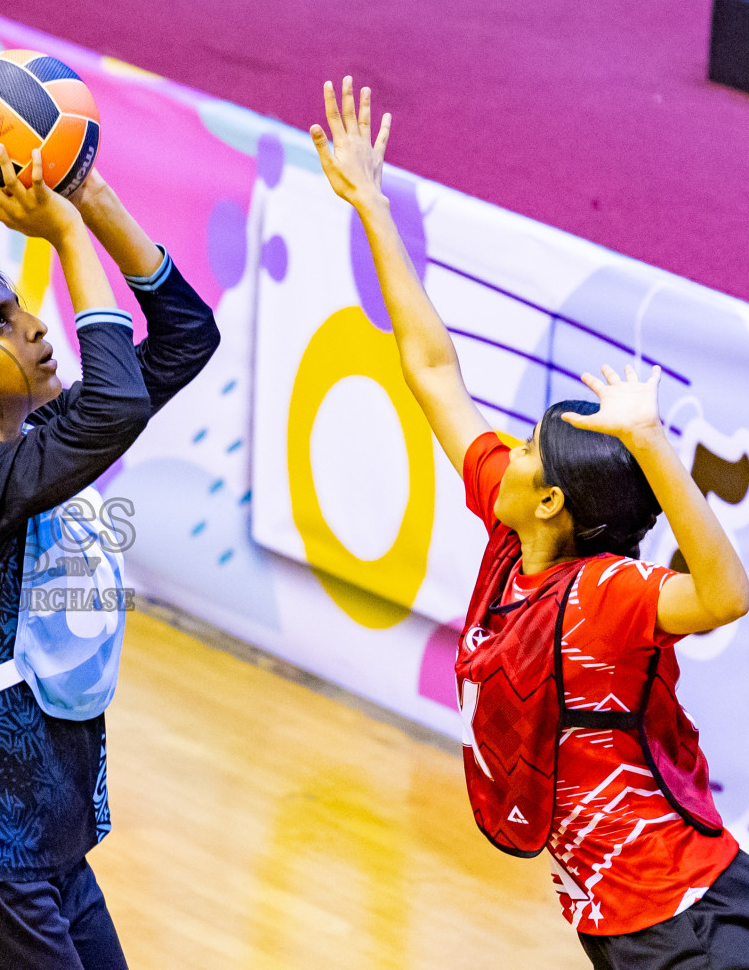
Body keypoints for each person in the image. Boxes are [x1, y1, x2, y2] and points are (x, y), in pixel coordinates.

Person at [312, 77, 749, 968]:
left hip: (681, 918)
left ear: (552, 500)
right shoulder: (516, 537)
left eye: (523, 450)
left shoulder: (611, 594)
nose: (501, 449)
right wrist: (371, 207)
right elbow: (432, 368)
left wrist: (652, 442)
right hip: (626, 917)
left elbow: (726, 594)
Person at [0, 144, 220, 969]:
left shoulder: (35, 446)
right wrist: (63, 236)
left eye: (21, 309)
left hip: (41, 841)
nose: (33, 327)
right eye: (0, 322)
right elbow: (117, 401)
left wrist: (93, 198)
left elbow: (184, 337)